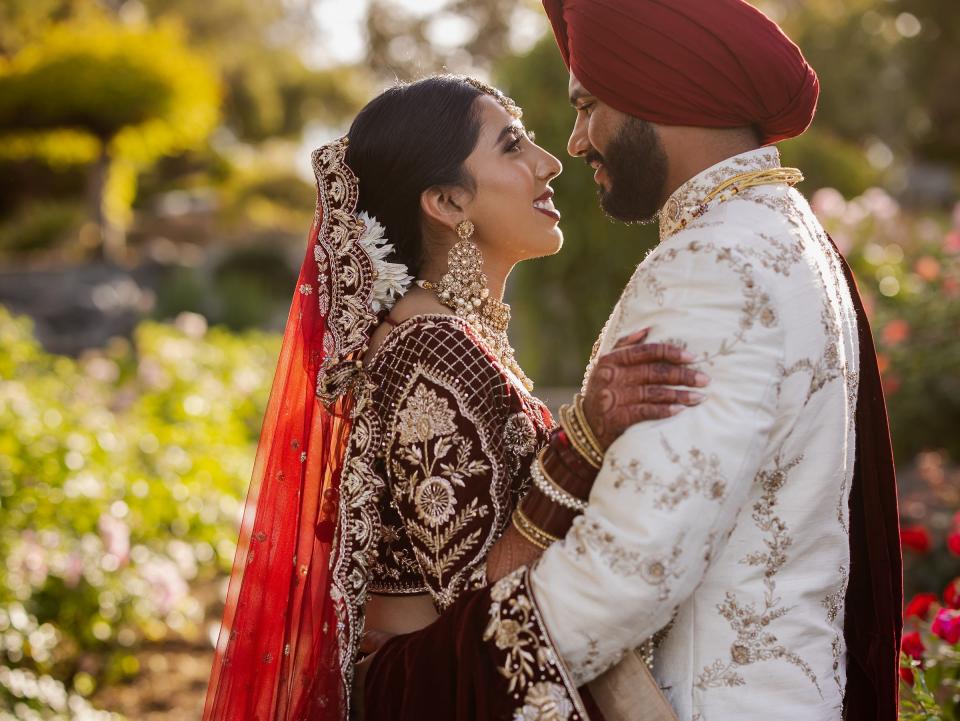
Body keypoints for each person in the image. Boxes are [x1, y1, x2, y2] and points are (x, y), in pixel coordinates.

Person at [359, 2, 903, 720]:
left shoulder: (710, 262)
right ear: (445, 201)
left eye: (587, 106)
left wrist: (402, 683)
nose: (571, 146)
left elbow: (627, 575)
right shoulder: (786, 233)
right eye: (515, 144)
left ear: (661, 92)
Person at [200, 74, 706, 721]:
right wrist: (587, 437)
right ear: (445, 200)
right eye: (512, 146)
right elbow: (479, 593)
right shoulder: (434, 348)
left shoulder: (438, 336)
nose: (549, 164)